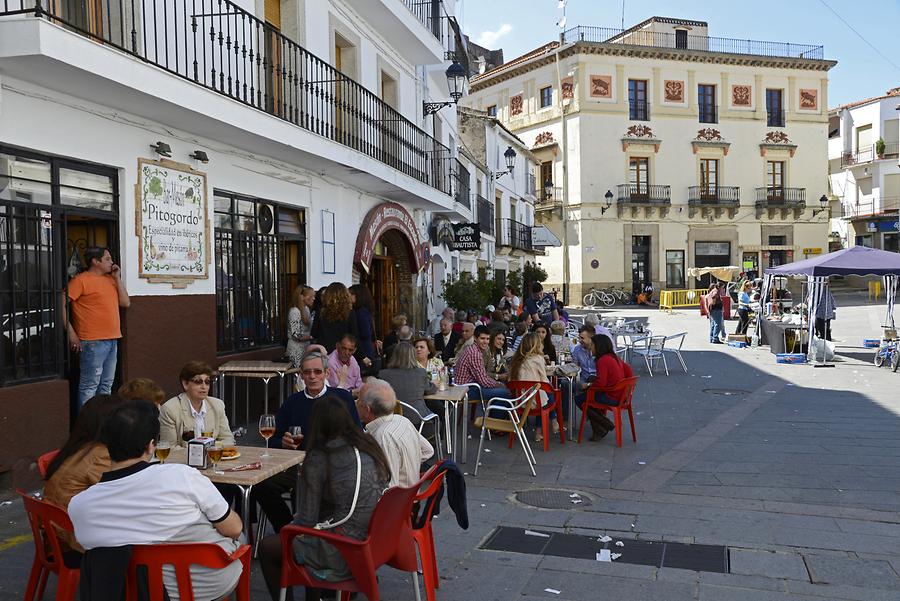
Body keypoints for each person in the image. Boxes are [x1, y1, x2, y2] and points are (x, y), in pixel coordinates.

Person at [68, 400, 244, 601]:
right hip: (205, 584)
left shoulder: (80, 505)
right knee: (238, 537)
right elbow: (234, 529)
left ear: (106, 446)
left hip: (134, 592)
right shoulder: (182, 475)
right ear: (151, 446)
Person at [258, 397, 391, 601]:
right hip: (374, 541)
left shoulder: (320, 457)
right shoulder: (368, 445)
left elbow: (307, 520)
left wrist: (289, 528)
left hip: (342, 549)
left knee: (269, 547)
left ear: (316, 423)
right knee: (315, 528)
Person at [253, 350, 361, 533]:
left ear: (327, 373)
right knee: (259, 485)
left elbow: (357, 434)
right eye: (307, 372)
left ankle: (302, 533)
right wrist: (283, 443)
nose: (312, 376)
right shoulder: (292, 402)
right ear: (301, 375)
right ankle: (287, 529)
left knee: (305, 487)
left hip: (332, 467)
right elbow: (272, 439)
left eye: (317, 372)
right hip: (296, 466)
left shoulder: (342, 398)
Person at [43, 394, 125, 553]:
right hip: (73, 544)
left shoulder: (80, 447)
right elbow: (121, 494)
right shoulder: (99, 455)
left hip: (57, 535)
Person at [65, 246, 130, 408]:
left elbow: (125, 303)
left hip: (112, 338)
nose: (112, 262)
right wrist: (71, 332)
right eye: (107, 259)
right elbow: (61, 302)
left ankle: (101, 423)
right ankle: (87, 428)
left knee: (106, 385)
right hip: (92, 341)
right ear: (95, 261)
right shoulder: (80, 280)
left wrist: (117, 278)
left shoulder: (110, 280)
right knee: (89, 386)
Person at [356, 378, 434, 488]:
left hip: (401, 502)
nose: (356, 403)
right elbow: (428, 451)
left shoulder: (383, 436)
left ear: (367, 409)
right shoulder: (402, 420)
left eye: (358, 399)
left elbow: (390, 486)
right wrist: (407, 466)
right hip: (411, 495)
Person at [159, 361, 235, 447]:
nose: (204, 387)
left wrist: (212, 448)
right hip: (183, 460)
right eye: (198, 381)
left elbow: (228, 439)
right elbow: (169, 448)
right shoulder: (170, 409)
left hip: (213, 458)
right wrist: (199, 453)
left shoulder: (217, 405)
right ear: (185, 384)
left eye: (207, 382)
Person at [578, 334, 632, 441]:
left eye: (592, 345)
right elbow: (629, 371)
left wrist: (588, 386)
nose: (590, 347)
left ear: (599, 346)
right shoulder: (613, 357)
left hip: (612, 396)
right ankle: (598, 428)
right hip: (621, 394)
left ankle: (605, 424)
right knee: (590, 381)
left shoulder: (602, 360)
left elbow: (601, 384)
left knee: (579, 399)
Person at [378, 342, 436, 429]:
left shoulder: (383, 374)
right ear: (413, 356)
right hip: (418, 422)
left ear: (395, 356)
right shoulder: (420, 373)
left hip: (391, 423)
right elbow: (429, 390)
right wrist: (434, 385)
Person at [508, 333, 553, 441]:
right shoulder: (538, 358)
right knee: (548, 396)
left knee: (542, 395)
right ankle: (539, 431)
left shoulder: (515, 360)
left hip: (519, 402)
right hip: (535, 403)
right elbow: (544, 380)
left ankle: (552, 421)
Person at [454, 325, 510, 404]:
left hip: (469, 385)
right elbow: (483, 380)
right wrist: (499, 384)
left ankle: (492, 414)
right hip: (466, 389)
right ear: (475, 338)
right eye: (482, 338)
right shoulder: (474, 353)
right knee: (506, 392)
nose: (485, 342)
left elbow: (486, 372)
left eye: (487, 339)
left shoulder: (476, 349)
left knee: (502, 390)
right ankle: (493, 416)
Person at [311, 282, 358, 353]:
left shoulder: (321, 311)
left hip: (324, 351)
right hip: (342, 351)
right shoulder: (349, 312)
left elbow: (314, 333)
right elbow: (354, 335)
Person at [349, 284, 379, 372]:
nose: (348, 296)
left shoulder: (360, 313)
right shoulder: (363, 311)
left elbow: (365, 333)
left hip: (364, 351)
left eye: (351, 294)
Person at [286, 285, 314, 368]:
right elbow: (296, 335)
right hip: (296, 350)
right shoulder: (294, 311)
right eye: (311, 296)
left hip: (306, 348)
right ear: (302, 297)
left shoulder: (306, 309)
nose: (313, 298)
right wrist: (312, 337)